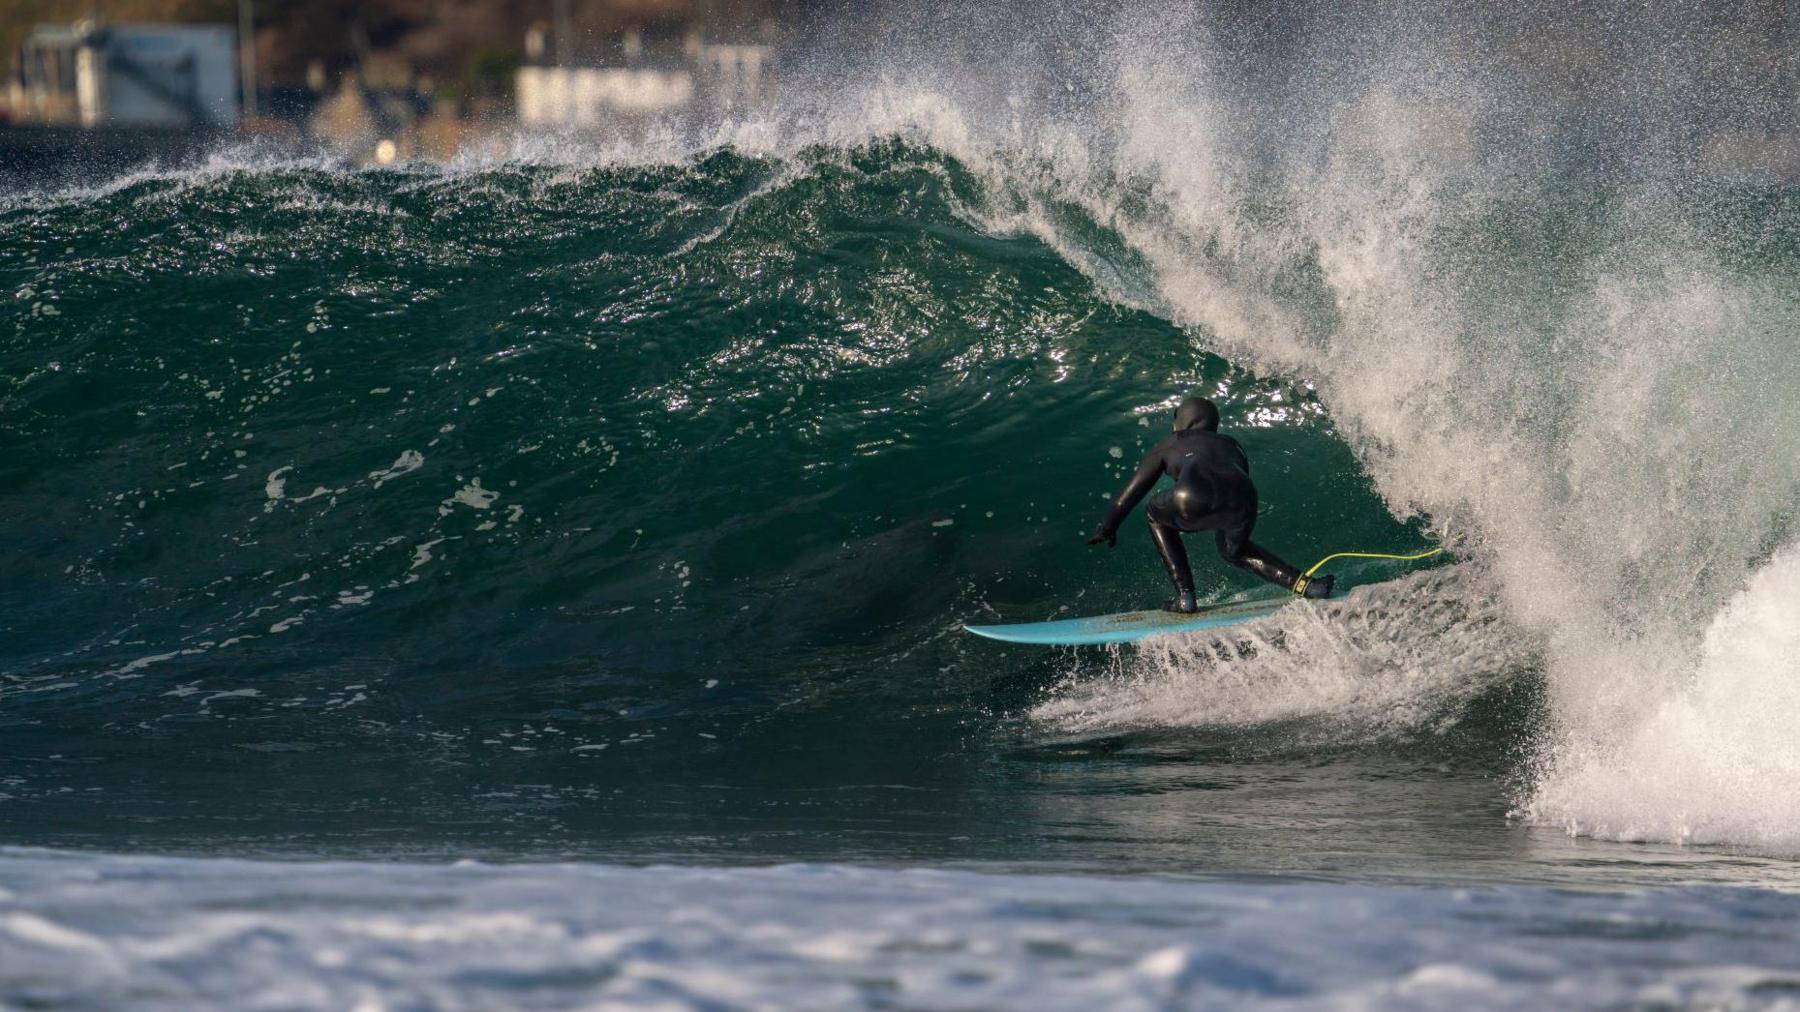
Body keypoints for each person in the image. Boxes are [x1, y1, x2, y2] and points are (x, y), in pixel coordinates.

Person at [1086, 396, 1334, 612]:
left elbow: (1133, 491)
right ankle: (1309, 586)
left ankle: (1185, 596)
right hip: (1245, 499)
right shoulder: (1231, 443)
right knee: (1235, 551)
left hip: (1191, 496)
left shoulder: (1172, 441)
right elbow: (1233, 483)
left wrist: (1108, 527)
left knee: (1153, 511)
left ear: (1183, 421)